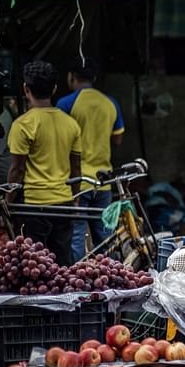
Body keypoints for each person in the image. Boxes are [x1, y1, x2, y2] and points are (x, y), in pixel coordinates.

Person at [7, 61, 81, 266]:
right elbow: (76, 168)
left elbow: (17, 170)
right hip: (64, 203)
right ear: (54, 89)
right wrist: (74, 198)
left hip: (34, 206)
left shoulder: (22, 125)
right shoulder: (71, 123)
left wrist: (7, 201)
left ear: (25, 89)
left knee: (35, 267)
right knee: (62, 264)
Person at [57, 57, 124, 262]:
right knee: (104, 237)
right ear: (94, 77)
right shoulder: (110, 103)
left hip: (77, 182)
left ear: (71, 77)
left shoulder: (66, 103)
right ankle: (109, 278)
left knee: (76, 235)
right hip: (103, 181)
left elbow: (59, 139)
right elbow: (118, 139)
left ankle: (76, 280)